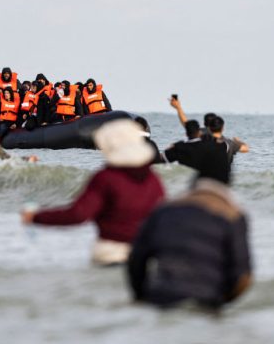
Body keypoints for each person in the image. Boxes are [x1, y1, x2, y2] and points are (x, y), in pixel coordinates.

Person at [21, 120, 164, 265]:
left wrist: (35, 217)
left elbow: (79, 214)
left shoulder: (106, 177)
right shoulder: (153, 179)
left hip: (111, 252)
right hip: (146, 252)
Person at [128, 178, 253, 310]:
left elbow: (136, 259)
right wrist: (223, 300)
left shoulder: (162, 211)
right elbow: (242, 277)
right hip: (207, 299)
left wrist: (141, 296)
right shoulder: (233, 216)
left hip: (161, 296)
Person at [164, 120, 232, 184]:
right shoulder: (212, 146)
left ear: (186, 134)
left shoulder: (179, 148)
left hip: (187, 183)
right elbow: (226, 146)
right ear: (199, 132)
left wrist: (175, 145)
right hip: (212, 183)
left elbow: (162, 159)